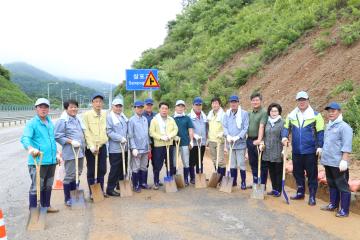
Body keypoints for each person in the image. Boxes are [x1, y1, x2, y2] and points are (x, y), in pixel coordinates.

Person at [282, 91, 324, 205]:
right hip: (296, 151)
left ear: (308, 100)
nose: (302, 102)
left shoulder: (316, 115)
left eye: (304, 100)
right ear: (297, 101)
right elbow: (286, 128)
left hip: (310, 151)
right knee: (297, 172)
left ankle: (312, 196)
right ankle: (300, 192)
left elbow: (320, 132)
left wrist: (320, 146)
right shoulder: (291, 115)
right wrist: (284, 137)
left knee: (312, 174)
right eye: (299, 100)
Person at [21, 98, 59, 213]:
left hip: (51, 161)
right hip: (37, 161)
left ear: (48, 109)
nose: (43, 109)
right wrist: (31, 148)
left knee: (48, 185)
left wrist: (57, 154)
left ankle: (46, 206)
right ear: (36, 108)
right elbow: (25, 138)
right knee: (37, 186)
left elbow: (52, 141)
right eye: (40, 107)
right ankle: (34, 211)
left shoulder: (50, 123)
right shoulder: (32, 123)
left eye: (46, 107)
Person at [320, 102, 353, 217]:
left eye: (333, 111)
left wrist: (344, 160)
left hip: (338, 163)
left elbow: (346, 145)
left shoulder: (344, 127)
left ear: (339, 112)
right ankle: (333, 204)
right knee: (332, 184)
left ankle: (344, 210)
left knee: (342, 186)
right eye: (329, 111)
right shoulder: (329, 125)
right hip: (328, 161)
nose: (330, 113)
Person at [54, 99, 86, 206]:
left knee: (78, 173)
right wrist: (71, 141)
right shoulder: (62, 121)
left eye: (75, 107)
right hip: (70, 152)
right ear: (66, 108)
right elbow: (57, 136)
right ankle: (67, 198)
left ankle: (74, 196)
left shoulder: (77, 119)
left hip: (80, 152)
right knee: (70, 175)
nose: (74, 109)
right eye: (71, 107)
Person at [83, 93, 109, 199]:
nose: (98, 103)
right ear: (92, 103)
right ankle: (92, 192)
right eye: (96, 101)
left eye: (100, 101)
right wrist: (91, 146)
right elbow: (86, 131)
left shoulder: (105, 114)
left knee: (102, 169)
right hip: (91, 148)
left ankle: (100, 191)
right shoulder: (87, 115)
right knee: (92, 170)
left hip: (102, 146)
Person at [149, 102, 178, 190]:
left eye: (166, 108)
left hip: (169, 144)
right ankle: (156, 182)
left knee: (170, 164)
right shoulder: (154, 120)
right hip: (159, 145)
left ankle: (170, 180)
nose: (164, 110)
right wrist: (161, 137)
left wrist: (170, 136)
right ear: (159, 109)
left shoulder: (171, 119)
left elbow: (175, 129)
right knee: (157, 164)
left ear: (168, 110)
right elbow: (151, 132)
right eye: (162, 108)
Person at [223, 95, 249, 188]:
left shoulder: (244, 113)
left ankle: (243, 182)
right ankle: (233, 181)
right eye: (231, 102)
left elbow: (246, 127)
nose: (233, 104)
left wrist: (238, 136)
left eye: (235, 102)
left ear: (238, 103)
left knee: (241, 163)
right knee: (232, 163)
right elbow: (224, 126)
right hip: (230, 143)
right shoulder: (227, 114)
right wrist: (228, 135)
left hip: (240, 143)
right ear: (230, 103)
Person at [106, 98, 128, 197]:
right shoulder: (109, 117)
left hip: (125, 147)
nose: (118, 108)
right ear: (112, 106)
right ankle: (110, 189)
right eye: (116, 106)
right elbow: (109, 132)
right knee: (115, 169)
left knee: (123, 168)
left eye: (120, 106)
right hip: (115, 149)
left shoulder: (123, 117)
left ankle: (120, 186)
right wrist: (120, 138)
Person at [261, 103, 284, 197]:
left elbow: (284, 136)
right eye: (271, 111)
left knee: (278, 171)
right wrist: (262, 142)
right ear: (269, 112)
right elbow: (263, 134)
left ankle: (278, 190)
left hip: (277, 150)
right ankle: (274, 189)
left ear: (279, 112)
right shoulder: (267, 122)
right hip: (267, 150)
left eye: (275, 111)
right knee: (271, 171)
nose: (273, 113)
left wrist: (284, 147)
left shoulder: (282, 122)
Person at [129, 100, 151, 192]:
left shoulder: (145, 119)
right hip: (137, 149)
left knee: (144, 166)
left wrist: (149, 145)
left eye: (141, 107)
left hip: (145, 148)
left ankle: (143, 183)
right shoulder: (131, 120)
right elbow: (130, 135)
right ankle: (136, 185)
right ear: (134, 108)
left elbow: (147, 134)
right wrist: (133, 147)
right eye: (138, 107)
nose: (140, 109)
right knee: (136, 167)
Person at [246, 93, 268, 186]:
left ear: (260, 101)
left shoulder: (264, 112)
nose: (255, 102)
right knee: (253, 162)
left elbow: (262, 126)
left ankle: (262, 184)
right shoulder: (249, 113)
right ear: (251, 101)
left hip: (259, 141)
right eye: (253, 100)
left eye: (257, 100)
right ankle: (255, 183)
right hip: (250, 140)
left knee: (262, 163)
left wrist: (259, 140)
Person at [173, 100, 194, 186]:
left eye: (182, 106)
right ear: (175, 107)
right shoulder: (171, 118)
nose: (180, 108)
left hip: (185, 143)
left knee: (186, 162)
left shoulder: (187, 118)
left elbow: (190, 130)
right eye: (179, 106)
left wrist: (191, 141)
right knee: (174, 162)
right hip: (174, 144)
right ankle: (175, 178)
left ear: (184, 108)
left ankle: (185, 179)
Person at [188, 97, 208, 184]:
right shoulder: (189, 116)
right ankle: (192, 178)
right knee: (192, 161)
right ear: (193, 105)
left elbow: (207, 128)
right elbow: (187, 129)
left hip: (202, 142)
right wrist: (193, 136)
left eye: (200, 105)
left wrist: (206, 139)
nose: (198, 106)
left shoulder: (204, 116)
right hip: (193, 143)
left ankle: (199, 175)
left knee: (200, 160)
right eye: (196, 105)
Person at [207, 97, 226, 183]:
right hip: (211, 140)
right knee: (214, 160)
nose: (215, 105)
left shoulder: (223, 115)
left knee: (220, 161)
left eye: (216, 103)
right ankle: (217, 178)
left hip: (220, 141)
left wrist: (222, 133)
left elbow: (226, 127)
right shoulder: (210, 114)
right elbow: (208, 127)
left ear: (219, 104)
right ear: (211, 105)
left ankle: (222, 178)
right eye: (213, 103)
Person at [143, 98, 157, 186]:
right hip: (145, 143)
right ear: (145, 105)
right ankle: (143, 182)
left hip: (156, 142)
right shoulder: (141, 115)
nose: (149, 106)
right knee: (145, 163)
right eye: (147, 105)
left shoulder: (156, 115)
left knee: (156, 162)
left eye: (150, 105)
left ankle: (156, 181)